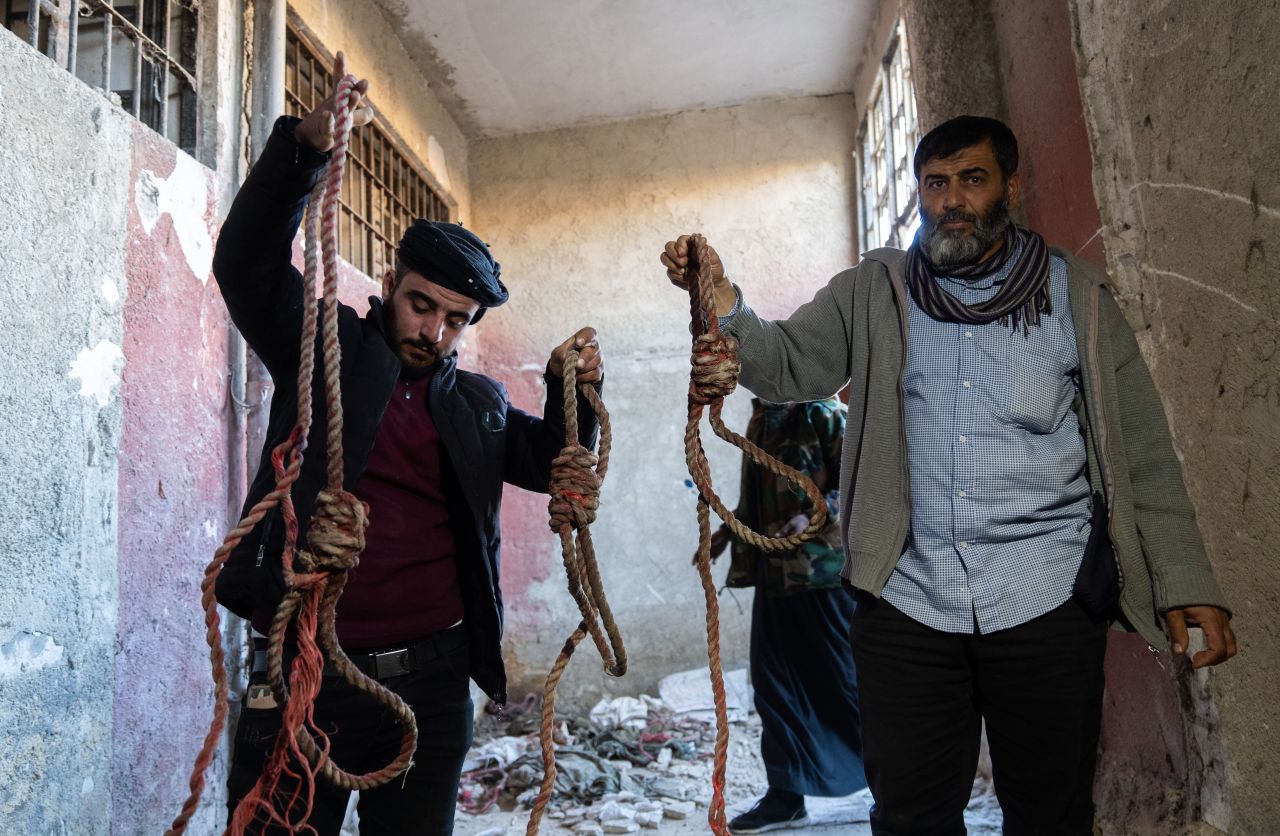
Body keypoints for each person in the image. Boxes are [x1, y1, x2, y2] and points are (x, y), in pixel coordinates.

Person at [661, 115, 1236, 834]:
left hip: (1048, 599)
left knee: (1051, 815)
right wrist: (722, 300)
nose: (951, 201)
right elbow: (786, 368)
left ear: (1011, 187)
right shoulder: (874, 291)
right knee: (909, 816)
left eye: (972, 179)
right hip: (909, 599)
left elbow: (1146, 456)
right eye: (936, 184)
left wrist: (1185, 582)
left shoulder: (1078, 300)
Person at [212, 54, 602, 834]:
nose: (434, 330)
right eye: (422, 305)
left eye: (455, 320)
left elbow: (552, 458)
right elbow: (245, 265)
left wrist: (574, 389)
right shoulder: (319, 345)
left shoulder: (478, 407)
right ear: (390, 283)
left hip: (431, 687)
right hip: (306, 672)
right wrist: (303, 150)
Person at [703, 398, 866, 834]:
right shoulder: (762, 418)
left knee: (847, 685)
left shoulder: (826, 415)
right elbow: (758, 496)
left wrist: (812, 518)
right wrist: (729, 530)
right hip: (774, 577)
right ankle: (786, 797)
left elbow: (860, 484)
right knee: (774, 687)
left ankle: (895, 787)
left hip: (822, 576)